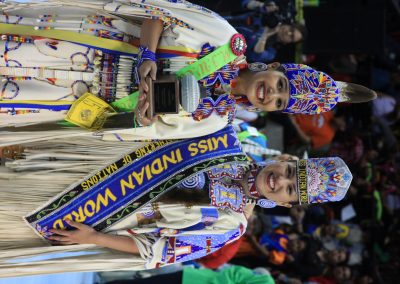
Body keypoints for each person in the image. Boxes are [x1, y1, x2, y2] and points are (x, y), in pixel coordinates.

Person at [0, 0, 377, 145]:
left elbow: (145, 131)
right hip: (84, 45)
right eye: (280, 85)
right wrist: (147, 56)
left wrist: (142, 113)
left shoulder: (213, 122)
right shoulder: (224, 38)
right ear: (276, 67)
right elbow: (155, 14)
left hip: (77, 99)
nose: (270, 94)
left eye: (279, 101)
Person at [0, 128, 354, 277]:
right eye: (290, 172)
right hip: (77, 163)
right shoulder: (224, 141)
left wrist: (93, 239)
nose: (281, 181)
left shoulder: (231, 226)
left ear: (285, 202)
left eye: (290, 189)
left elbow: (159, 251)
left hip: (88, 212)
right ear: (288, 159)